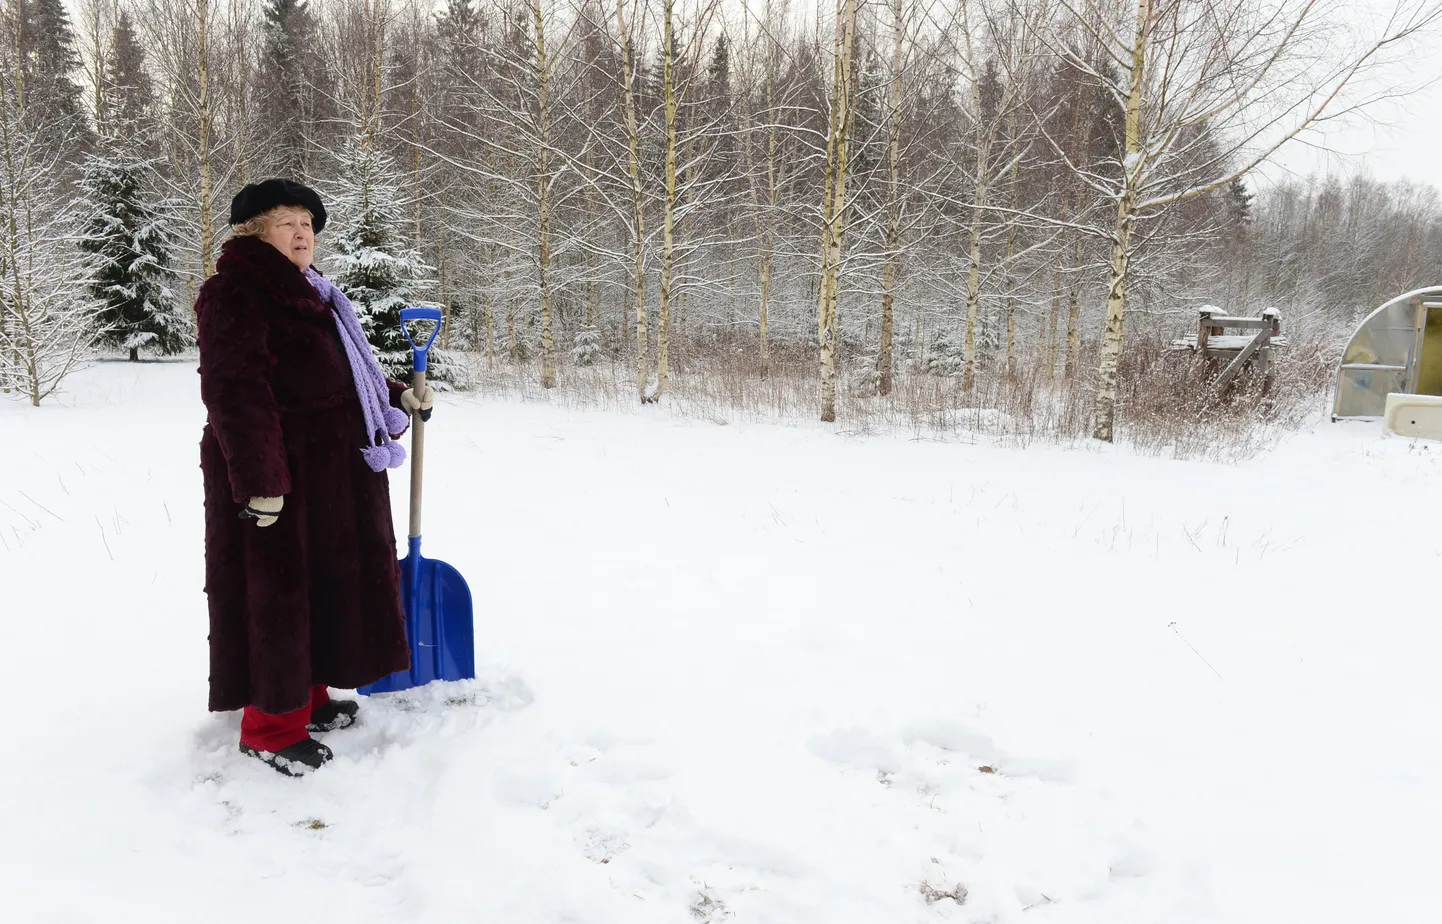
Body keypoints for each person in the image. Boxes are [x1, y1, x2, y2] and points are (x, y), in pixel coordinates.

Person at [196, 178, 435, 776]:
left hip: (331, 473)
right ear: (255, 232)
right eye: (286, 223)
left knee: (325, 584)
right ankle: (271, 726)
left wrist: (397, 396)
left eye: (306, 223)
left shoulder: (315, 292)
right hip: (280, 474)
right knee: (278, 595)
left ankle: (311, 695)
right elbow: (235, 391)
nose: (302, 233)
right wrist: (261, 480)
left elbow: (347, 370)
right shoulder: (236, 293)